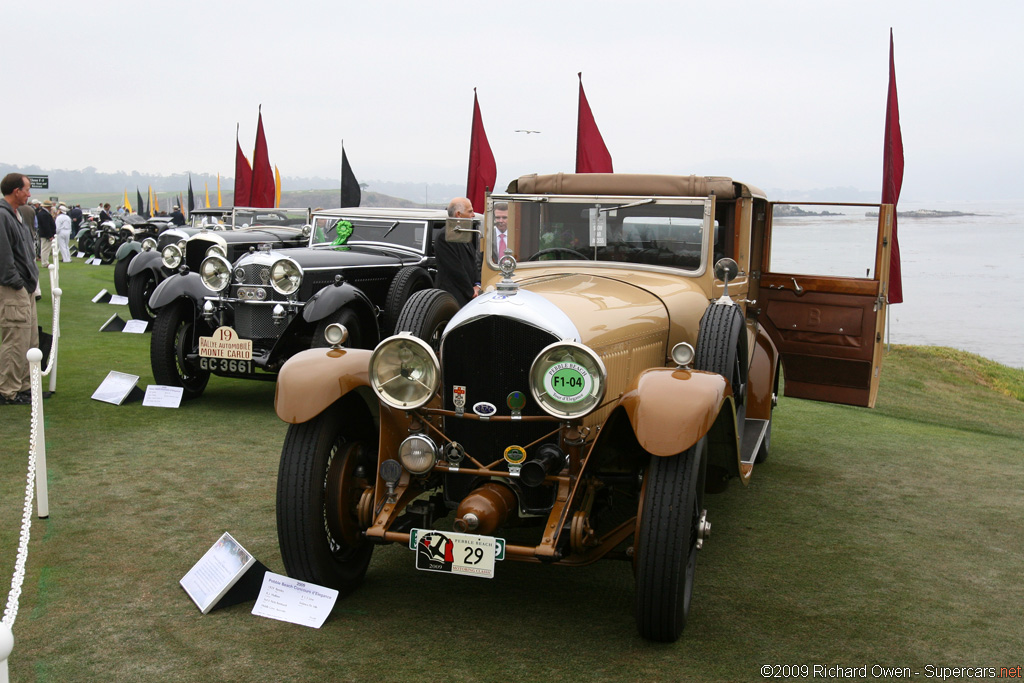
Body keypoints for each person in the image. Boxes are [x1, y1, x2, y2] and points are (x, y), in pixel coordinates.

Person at [0, 173, 41, 405]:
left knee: (29, 339)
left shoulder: (16, 214)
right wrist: (17, 282)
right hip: (13, 288)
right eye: (26, 189)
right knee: (15, 339)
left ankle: (25, 386)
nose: (29, 193)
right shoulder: (2, 216)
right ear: (16, 191)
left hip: (25, 287)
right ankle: (8, 390)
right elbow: (4, 258)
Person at [434, 197, 481, 307]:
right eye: (470, 211)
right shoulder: (444, 236)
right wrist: (470, 291)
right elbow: (455, 269)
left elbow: (473, 262)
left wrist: (477, 285)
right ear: (458, 214)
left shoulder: (465, 233)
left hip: (469, 294)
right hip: (452, 296)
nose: (473, 215)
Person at [36, 201, 57, 267]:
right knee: (45, 249)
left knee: (44, 248)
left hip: (44, 233)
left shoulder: (41, 213)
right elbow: (46, 226)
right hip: (46, 234)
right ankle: (45, 262)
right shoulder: (44, 214)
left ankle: (44, 261)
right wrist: (50, 235)